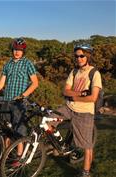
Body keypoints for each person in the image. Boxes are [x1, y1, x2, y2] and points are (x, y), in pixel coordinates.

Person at [49, 44, 102, 177]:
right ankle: (59, 145)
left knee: (86, 145)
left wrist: (73, 95)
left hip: (84, 112)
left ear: (88, 56)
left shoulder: (94, 73)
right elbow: (65, 90)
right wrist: (80, 94)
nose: (79, 58)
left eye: (82, 56)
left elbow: (93, 97)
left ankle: (85, 172)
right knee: (47, 121)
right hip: (68, 107)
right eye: (76, 56)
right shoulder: (74, 72)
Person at [0, 38, 39, 157]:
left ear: (23, 51)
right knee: (6, 129)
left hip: (19, 103)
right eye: (15, 49)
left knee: (19, 129)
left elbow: (35, 83)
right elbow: (1, 83)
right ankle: (5, 154)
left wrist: (23, 95)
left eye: (20, 50)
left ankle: (20, 156)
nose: (17, 52)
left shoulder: (27, 63)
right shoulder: (8, 64)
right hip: (7, 100)